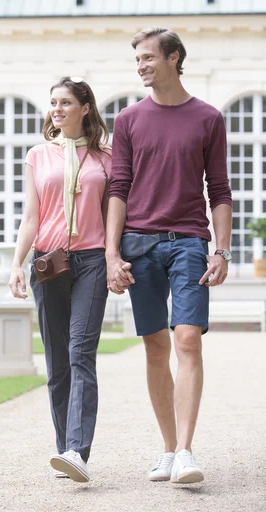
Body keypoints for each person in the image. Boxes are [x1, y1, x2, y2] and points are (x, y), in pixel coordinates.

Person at [106, 27, 232, 484]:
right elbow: (118, 188)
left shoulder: (208, 118)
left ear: (174, 58)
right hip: (138, 244)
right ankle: (166, 448)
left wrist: (221, 248)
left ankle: (185, 451)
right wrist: (110, 253)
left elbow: (218, 190)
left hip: (189, 243)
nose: (140, 66)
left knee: (188, 340)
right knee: (156, 347)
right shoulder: (128, 120)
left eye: (147, 58)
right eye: (136, 59)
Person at [8, 76, 111, 483]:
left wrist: (115, 255)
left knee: (80, 353)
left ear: (85, 107)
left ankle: (77, 451)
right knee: (57, 363)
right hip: (48, 262)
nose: (57, 109)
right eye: (53, 102)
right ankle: (63, 447)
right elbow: (31, 216)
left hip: (91, 261)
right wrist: (17, 263)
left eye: (66, 102)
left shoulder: (107, 156)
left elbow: (114, 213)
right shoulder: (38, 155)